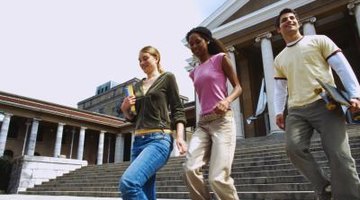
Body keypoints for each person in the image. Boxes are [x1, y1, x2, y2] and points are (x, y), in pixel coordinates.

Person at [273, 8, 360, 200]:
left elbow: (341, 66)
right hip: (296, 110)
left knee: (339, 154)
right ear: (279, 29)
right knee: (293, 148)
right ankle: (324, 188)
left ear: (298, 22)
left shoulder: (319, 40)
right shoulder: (279, 59)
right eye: (284, 20)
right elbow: (280, 88)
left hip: (326, 104)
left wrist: (355, 95)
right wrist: (279, 111)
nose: (289, 21)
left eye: (292, 18)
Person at [119, 45, 187, 200]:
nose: (142, 63)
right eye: (139, 60)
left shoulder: (167, 78)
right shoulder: (135, 86)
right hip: (138, 142)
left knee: (129, 183)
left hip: (159, 139)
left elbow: (178, 109)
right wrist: (125, 109)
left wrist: (180, 137)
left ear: (156, 58)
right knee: (146, 192)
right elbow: (134, 118)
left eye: (145, 58)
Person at [183, 26, 242, 200]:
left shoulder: (220, 59)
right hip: (203, 124)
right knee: (189, 168)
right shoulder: (194, 72)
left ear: (207, 40)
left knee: (217, 178)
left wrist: (226, 100)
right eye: (191, 44)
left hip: (222, 121)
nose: (194, 46)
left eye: (198, 42)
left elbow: (238, 87)